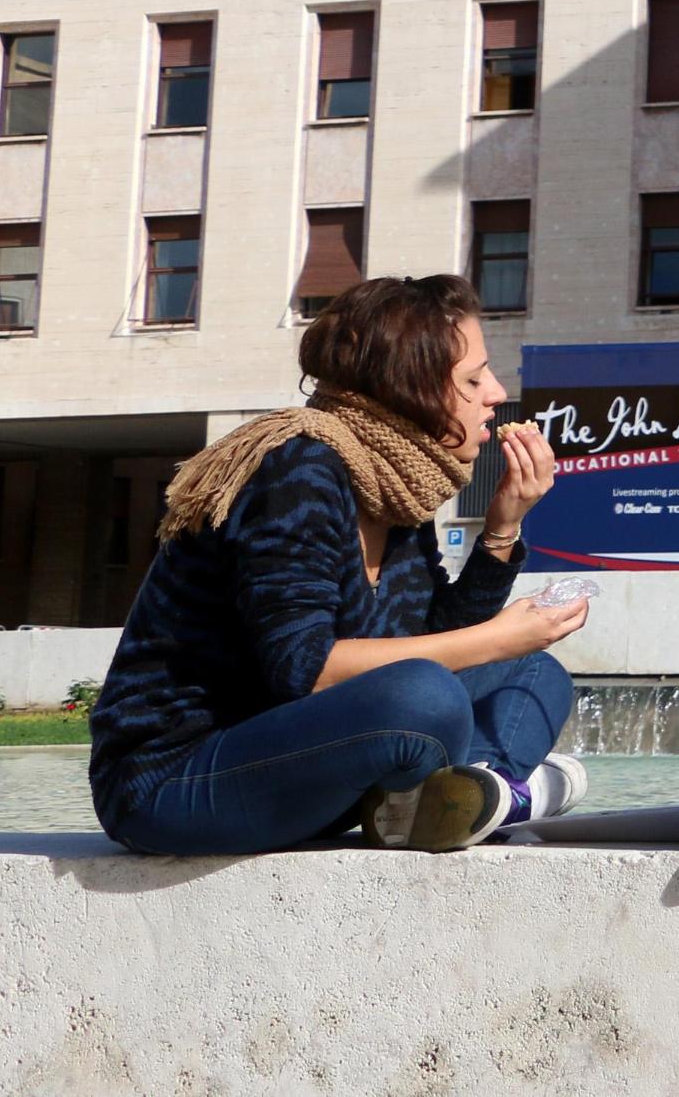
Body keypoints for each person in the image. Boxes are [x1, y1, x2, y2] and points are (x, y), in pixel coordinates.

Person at [88, 276, 591, 855]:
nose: (496, 393)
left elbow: (434, 637)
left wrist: (502, 529)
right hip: (175, 780)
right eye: (473, 380)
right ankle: (492, 793)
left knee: (533, 671)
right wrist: (497, 637)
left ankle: (465, 798)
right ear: (411, 386)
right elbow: (303, 670)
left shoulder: (393, 484)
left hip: (302, 757)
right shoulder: (296, 468)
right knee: (425, 697)